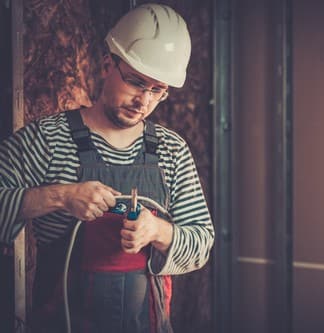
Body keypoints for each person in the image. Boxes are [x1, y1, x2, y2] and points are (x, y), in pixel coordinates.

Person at [0, 3, 214, 332]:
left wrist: (157, 231)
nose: (143, 100)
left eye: (157, 90)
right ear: (106, 66)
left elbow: (201, 242)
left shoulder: (172, 150)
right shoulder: (48, 139)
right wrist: (60, 196)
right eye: (136, 82)